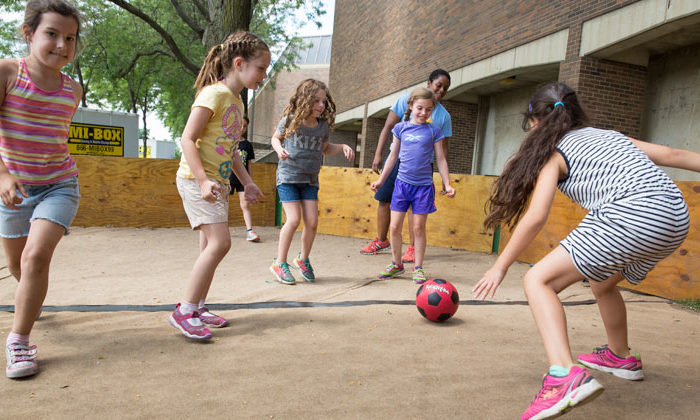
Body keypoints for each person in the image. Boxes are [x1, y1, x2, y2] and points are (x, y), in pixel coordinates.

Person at [471, 82, 700, 419]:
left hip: (633, 213)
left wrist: (500, 267)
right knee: (602, 282)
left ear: (536, 121)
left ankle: (563, 374)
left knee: (538, 281)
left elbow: (536, 218)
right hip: (674, 217)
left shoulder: (553, 153)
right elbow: (673, 155)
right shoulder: (608, 135)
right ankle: (620, 356)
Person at [0, 0, 83, 379]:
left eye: (71, 38)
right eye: (52, 34)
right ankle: (30, 301)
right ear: (29, 33)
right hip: (12, 189)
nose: (62, 45)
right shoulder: (7, 73)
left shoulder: (73, 91)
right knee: (19, 266)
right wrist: (4, 176)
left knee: (35, 258)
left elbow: (53, 138)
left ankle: (18, 342)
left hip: (60, 185)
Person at [170, 31, 269, 340]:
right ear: (239, 64)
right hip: (196, 179)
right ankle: (184, 311)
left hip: (218, 183)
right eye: (261, 68)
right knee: (220, 243)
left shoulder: (237, 102)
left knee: (208, 245)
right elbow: (187, 139)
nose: (264, 75)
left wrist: (248, 182)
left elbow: (231, 150)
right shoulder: (214, 94)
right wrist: (202, 180)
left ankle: (198, 306)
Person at [361, 69, 452, 264]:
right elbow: (389, 133)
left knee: (415, 214)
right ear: (429, 83)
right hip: (398, 163)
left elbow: (442, 154)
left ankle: (412, 249)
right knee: (384, 200)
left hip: (422, 171)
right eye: (439, 86)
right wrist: (378, 157)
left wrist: (447, 182)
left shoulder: (441, 120)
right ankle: (382, 242)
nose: (442, 90)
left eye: (446, 88)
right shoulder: (406, 103)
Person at [269, 79, 354, 285]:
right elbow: (275, 138)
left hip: (309, 180)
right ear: (305, 100)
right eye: (316, 101)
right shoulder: (290, 120)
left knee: (312, 222)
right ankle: (279, 263)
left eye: (324, 102)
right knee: (293, 219)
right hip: (288, 177)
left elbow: (325, 148)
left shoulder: (322, 126)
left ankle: (302, 258)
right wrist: (279, 150)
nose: (321, 106)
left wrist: (342, 146)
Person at [228, 115, 260, 242]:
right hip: (229, 178)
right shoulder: (227, 142)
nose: (242, 128)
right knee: (224, 204)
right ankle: (222, 229)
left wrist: (249, 181)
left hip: (242, 179)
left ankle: (249, 230)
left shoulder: (247, 145)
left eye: (245, 126)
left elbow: (249, 164)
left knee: (245, 204)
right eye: (240, 125)